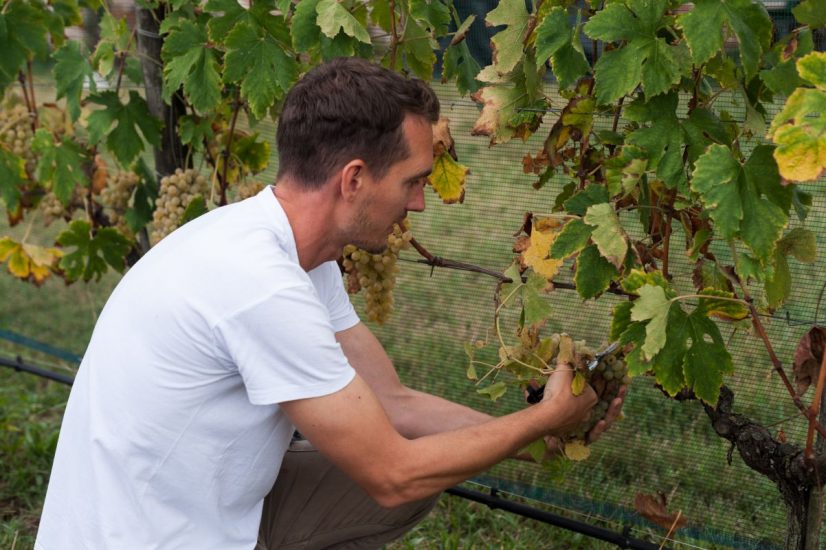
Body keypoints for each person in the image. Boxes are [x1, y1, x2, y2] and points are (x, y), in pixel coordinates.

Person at [35, 57, 623, 550]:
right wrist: (541, 418)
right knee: (402, 479)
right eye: (412, 181)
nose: (420, 204)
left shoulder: (292, 250)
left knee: (417, 476)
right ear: (354, 179)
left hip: (189, 512)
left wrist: (539, 437)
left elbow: (392, 403)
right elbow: (391, 473)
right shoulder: (260, 283)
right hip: (141, 538)